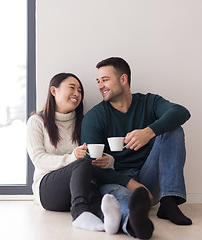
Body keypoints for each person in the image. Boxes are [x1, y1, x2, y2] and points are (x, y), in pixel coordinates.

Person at [81, 57, 192, 239]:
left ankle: (169, 201)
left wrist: (149, 132)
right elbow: (90, 165)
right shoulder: (95, 117)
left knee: (174, 130)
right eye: (98, 81)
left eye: (105, 79)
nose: (100, 86)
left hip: (150, 179)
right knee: (121, 198)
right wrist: (131, 183)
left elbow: (181, 112)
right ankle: (133, 222)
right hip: (116, 180)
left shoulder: (149, 102)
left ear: (123, 79)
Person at [26, 72, 144, 234]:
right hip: (48, 190)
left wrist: (107, 160)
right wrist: (72, 158)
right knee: (81, 164)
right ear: (54, 91)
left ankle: (113, 222)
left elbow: (99, 155)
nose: (77, 94)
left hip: (80, 188)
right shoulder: (37, 122)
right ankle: (80, 213)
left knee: (96, 193)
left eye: (80, 91)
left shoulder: (84, 122)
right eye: (72, 88)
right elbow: (39, 159)